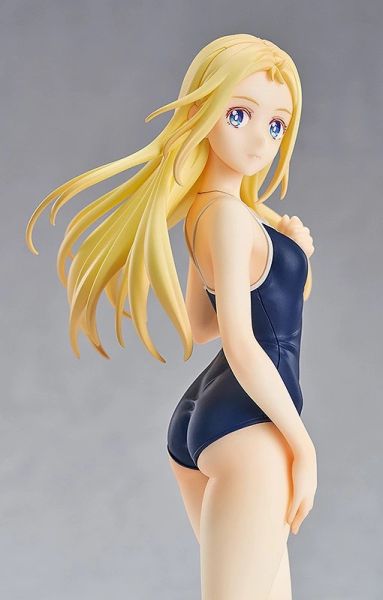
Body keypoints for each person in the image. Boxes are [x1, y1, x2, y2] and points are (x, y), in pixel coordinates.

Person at [25, 33, 317, 600]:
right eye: (240, 114)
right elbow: (240, 341)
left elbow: (200, 325)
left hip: (206, 415)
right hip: (250, 423)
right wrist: (302, 445)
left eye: (277, 124)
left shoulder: (207, 212)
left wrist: (287, 254)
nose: (261, 138)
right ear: (201, 113)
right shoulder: (229, 218)